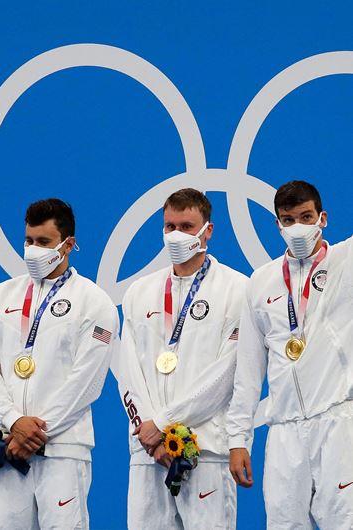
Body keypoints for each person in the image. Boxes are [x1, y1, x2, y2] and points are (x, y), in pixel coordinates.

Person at [0, 198, 119, 530]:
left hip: (63, 451)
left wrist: (36, 433)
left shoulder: (94, 302)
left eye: (43, 242)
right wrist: (14, 423)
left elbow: (86, 382)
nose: (33, 249)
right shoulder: (1, 296)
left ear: (68, 244)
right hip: (10, 448)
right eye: (29, 240)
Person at [115, 188, 247, 529]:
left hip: (206, 451)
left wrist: (163, 424)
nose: (177, 235)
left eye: (187, 226)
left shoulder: (238, 290)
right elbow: (127, 369)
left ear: (209, 230)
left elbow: (226, 373)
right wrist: (148, 431)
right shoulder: (138, 292)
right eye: (170, 226)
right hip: (148, 454)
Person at [227, 180, 353, 529]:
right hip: (283, 432)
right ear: (278, 225)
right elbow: (248, 371)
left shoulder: (347, 261)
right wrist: (238, 439)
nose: (298, 228)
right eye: (288, 220)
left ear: (322, 218)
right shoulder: (261, 282)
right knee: (283, 525)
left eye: (305, 217)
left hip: (338, 423)